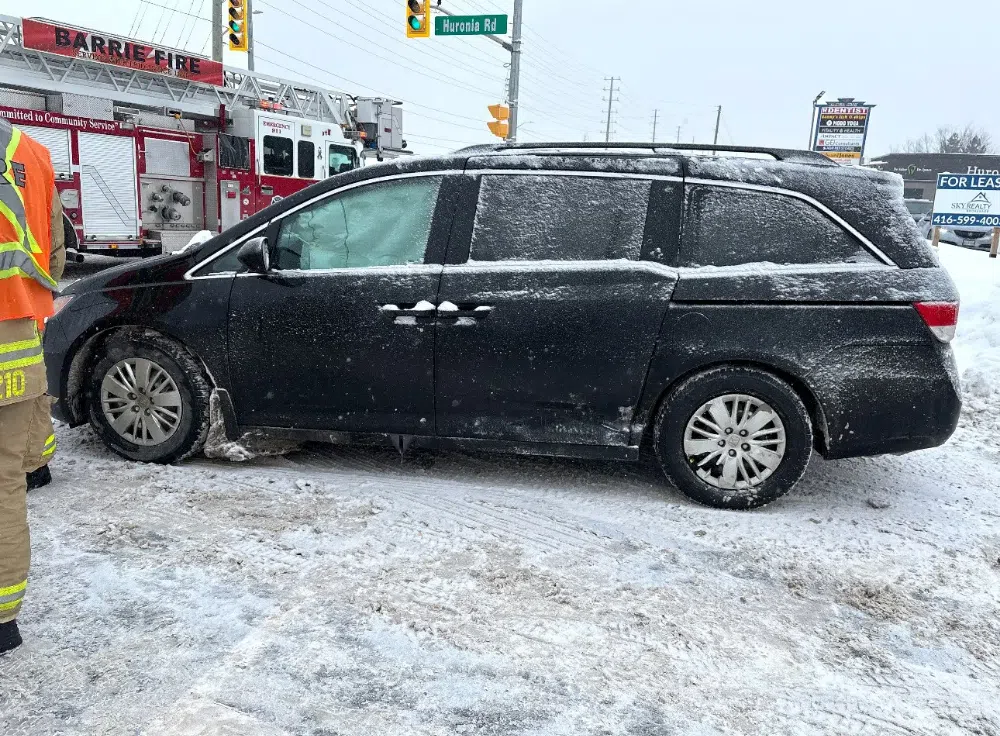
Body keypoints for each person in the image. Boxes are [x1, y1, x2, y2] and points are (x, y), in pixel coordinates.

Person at [0, 116, 64, 654]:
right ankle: (3, 620)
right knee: (3, 486)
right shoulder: (34, 155)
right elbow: (55, 251)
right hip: (15, 341)